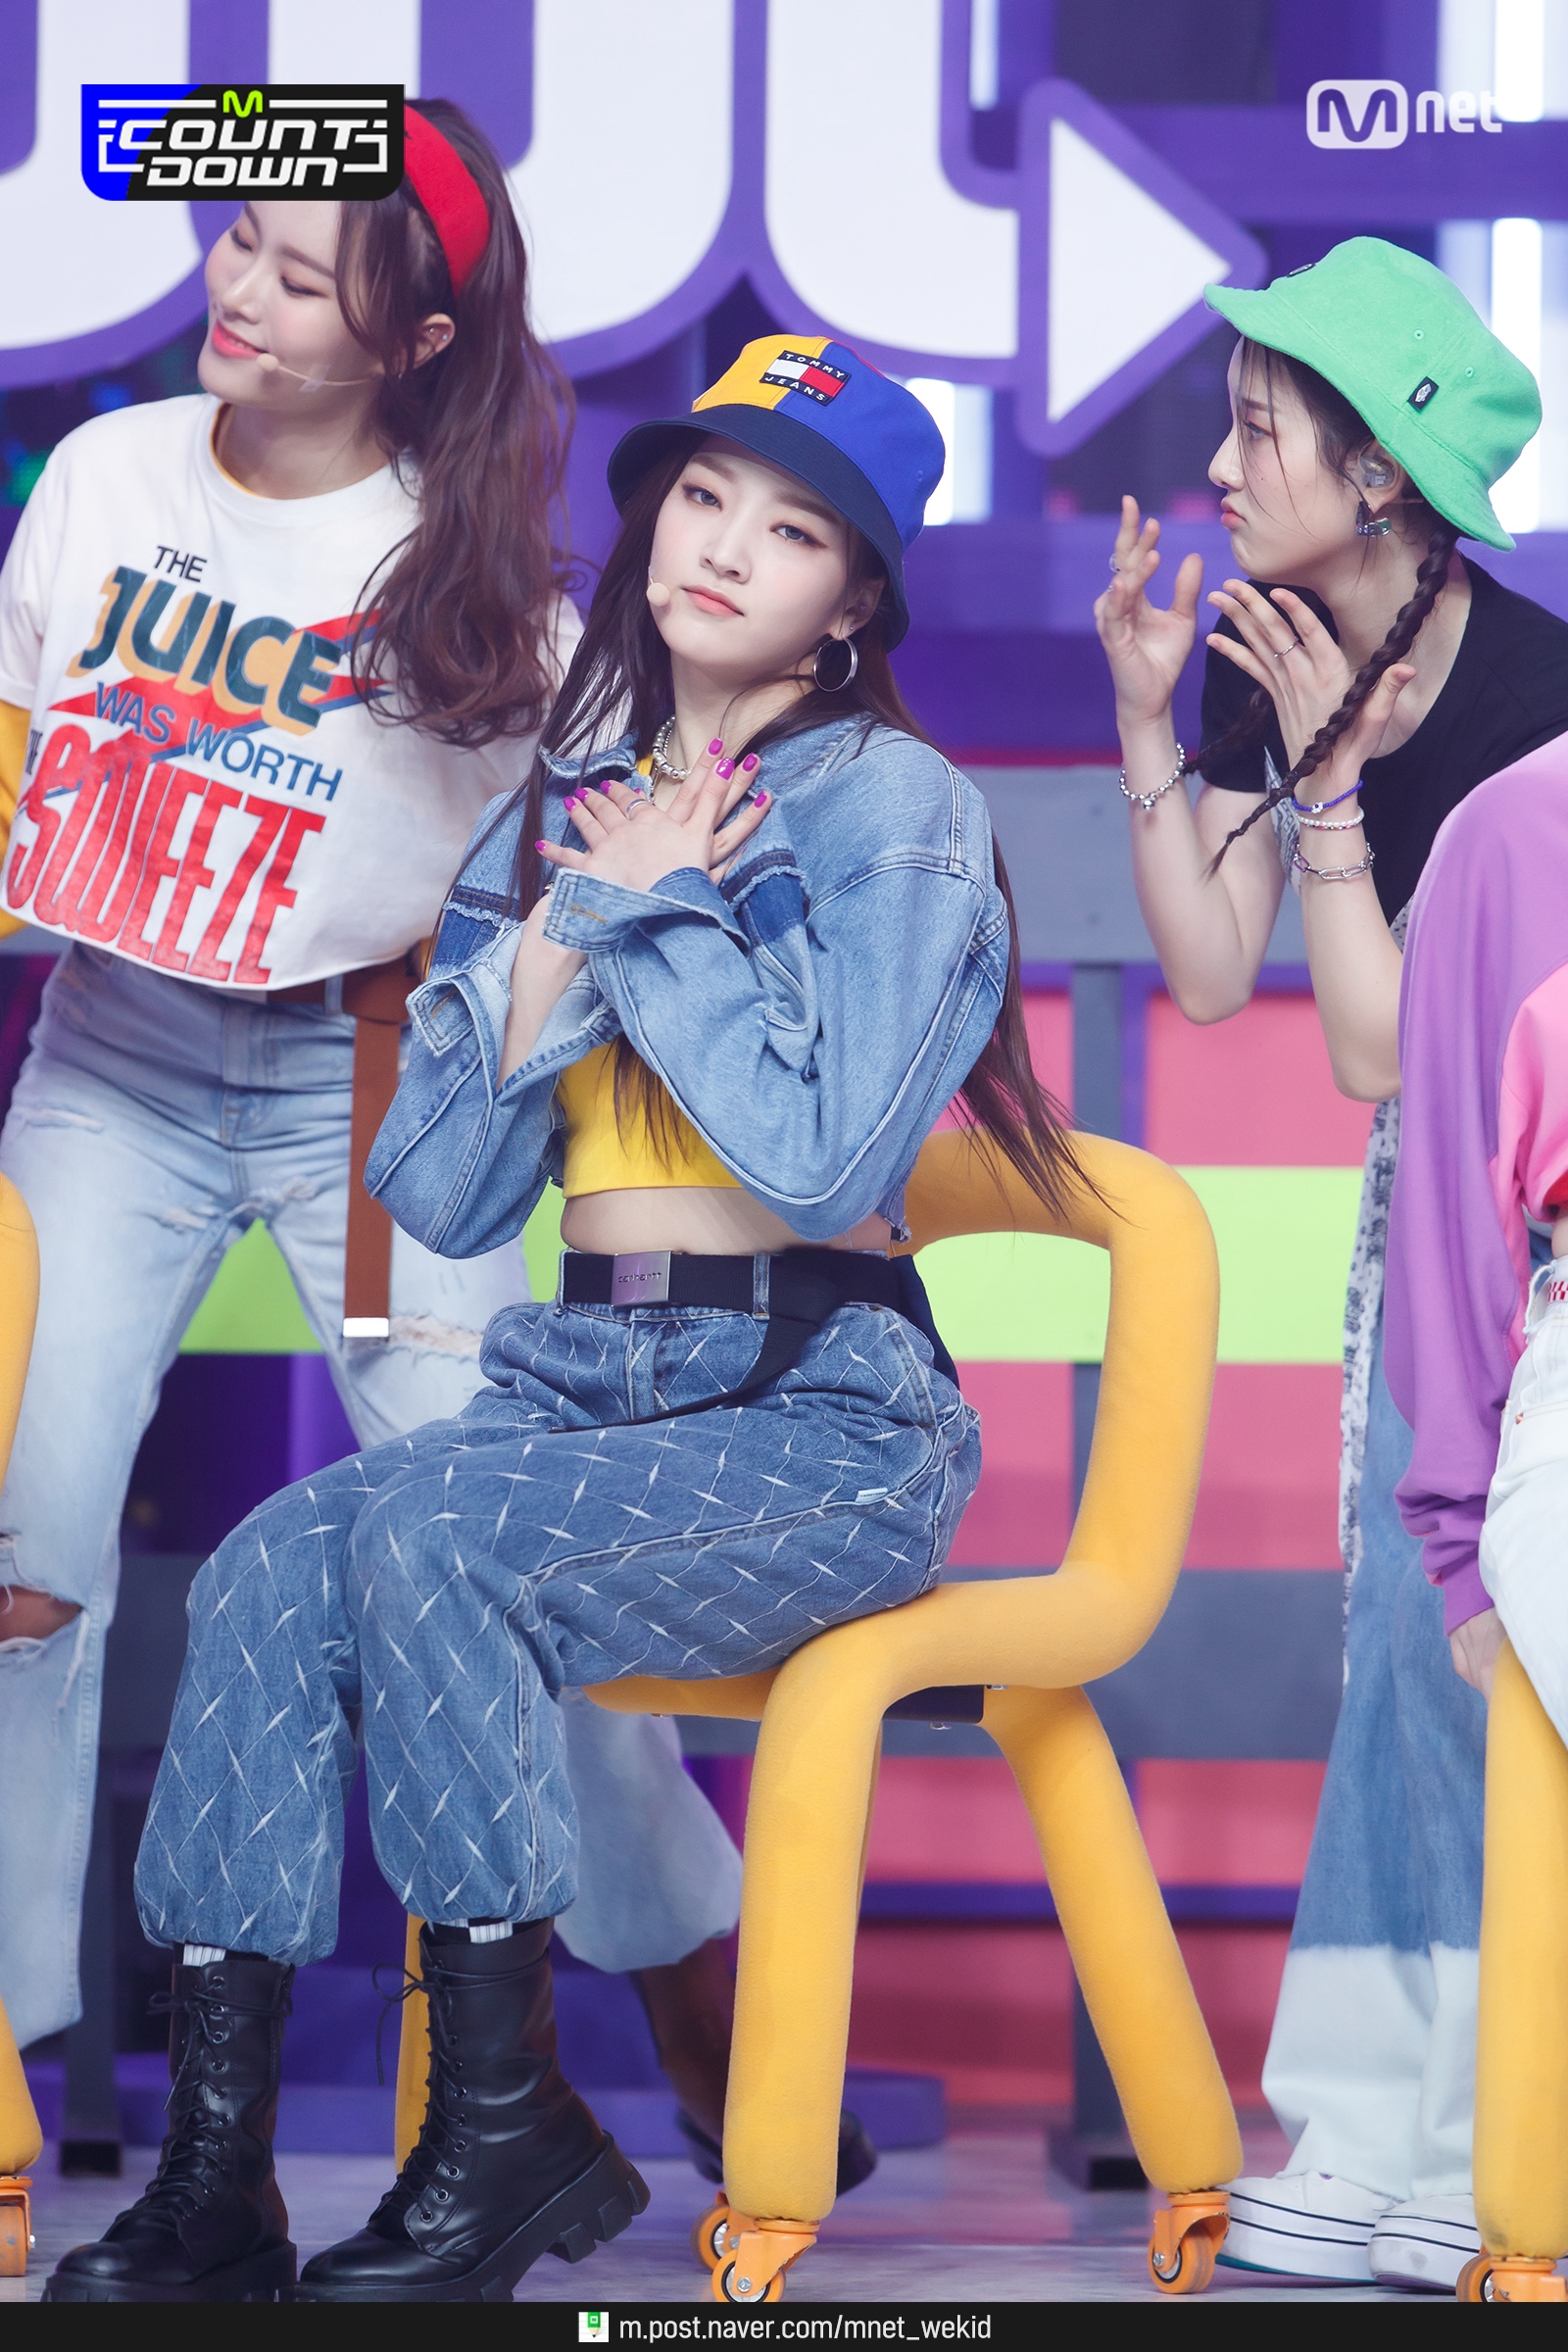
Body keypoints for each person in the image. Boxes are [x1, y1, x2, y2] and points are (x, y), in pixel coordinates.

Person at [44, 333, 1082, 2303]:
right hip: (585, 1396)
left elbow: (817, 1163)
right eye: (701, 495)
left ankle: (499, 2125)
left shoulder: (898, 813)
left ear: (851, 603)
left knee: (435, 1537)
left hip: (821, 1422)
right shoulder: (562, 811)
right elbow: (439, 1191)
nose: (723, 548)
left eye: (791, 532)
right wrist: (567, 931)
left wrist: (648, 917)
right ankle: (217, 2172)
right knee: (269, 1568)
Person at [0, 103, 741, 2103]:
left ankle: (689, 1975)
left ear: (413, 339)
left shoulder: (477, 574)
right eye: (237, 234)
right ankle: (5, 2069)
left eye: (303, 274)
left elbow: (605, 859)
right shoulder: (106, 474)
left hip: (382, 1083)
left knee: (508, 1546)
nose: (239, 288)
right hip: (114, 1056)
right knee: (19, 1562)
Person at [1093, 237, 1568, 2288]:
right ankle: (1385, 2125)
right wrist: (1149, 722)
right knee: (1402, 1637)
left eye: (1259, 432)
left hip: (1520, 1211)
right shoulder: (1263, 649)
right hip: (1417, 1203)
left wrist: (1340, 799)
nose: (1219, 468)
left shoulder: (1536, 700)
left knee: (1481, 1636)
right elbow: (1211, 977)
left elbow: (1392, 1050)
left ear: (1381, 472)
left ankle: (1480, 2126)